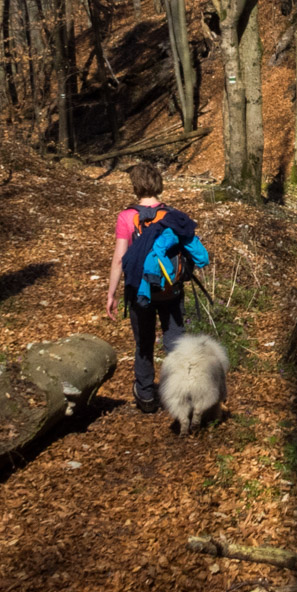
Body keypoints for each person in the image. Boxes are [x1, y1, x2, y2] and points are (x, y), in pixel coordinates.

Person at [105, 162, 209, 413]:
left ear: (135, 186)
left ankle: (146, 397)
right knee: (175, 341)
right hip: (170, 289)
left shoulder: (127, 217)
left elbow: (120, 258)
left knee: (144, 342)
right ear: (158, 184)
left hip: (139, 290)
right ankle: (181, 394)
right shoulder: (172, 215)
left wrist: (111, 294)